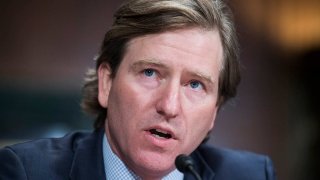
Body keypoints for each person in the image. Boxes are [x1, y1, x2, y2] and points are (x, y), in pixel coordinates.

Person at [0, 0, 276, 179]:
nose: (169, 106)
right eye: (150, 72)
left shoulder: (249, 175)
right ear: (107, 83)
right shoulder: (27, 171)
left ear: (214, 111)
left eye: (195, 84)